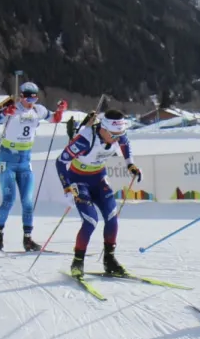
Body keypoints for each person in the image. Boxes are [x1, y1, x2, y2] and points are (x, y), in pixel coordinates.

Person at [0, 82, 67, 251]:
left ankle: (27, 239)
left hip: (25, 159)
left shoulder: (38, 110)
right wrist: (3, 113)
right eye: (28, 98)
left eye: (34, 98)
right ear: (21, 96)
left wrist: (61, 110)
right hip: (8, 159)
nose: (31, 102)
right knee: (9, 200)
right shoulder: (13, 109)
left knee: (28, 202)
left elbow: (55, 119)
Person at [56, 109, 142, 278]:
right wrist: (67, 188)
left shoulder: (117, 133)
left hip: (99, 178)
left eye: (120, 134)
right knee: (90, 221)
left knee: (111, 216)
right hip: (78, 180)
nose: (118, 138)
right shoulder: (85, 139)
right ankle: (78, 262)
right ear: (103, 128)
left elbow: (125, 145)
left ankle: (109, 260)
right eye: (114, 135)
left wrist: (130, 165)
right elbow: (60, 162)